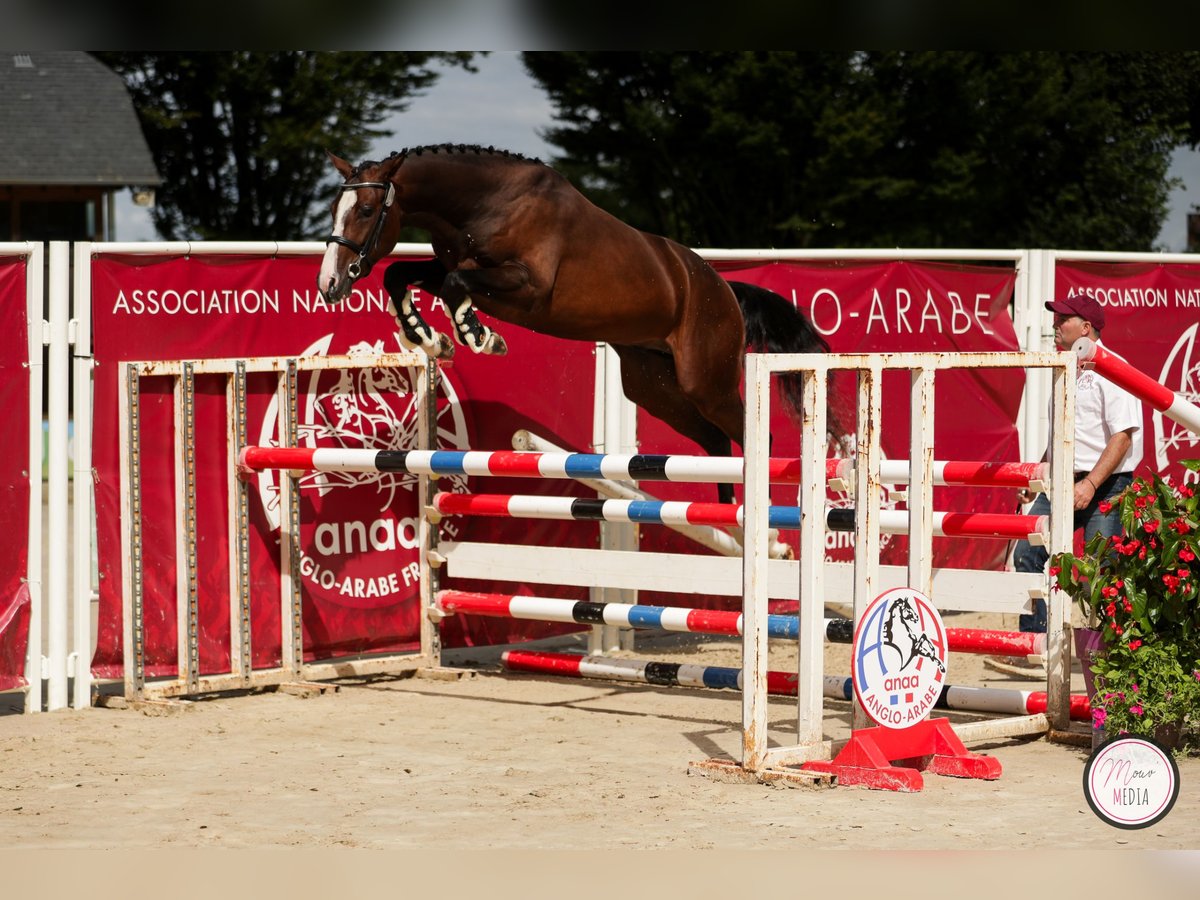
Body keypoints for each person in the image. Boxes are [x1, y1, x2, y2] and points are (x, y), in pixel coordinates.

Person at [1009, 294, 1143, 645]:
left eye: (1063, 319)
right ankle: (1037, 643)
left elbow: (1123, 438)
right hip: (1065, 480)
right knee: (1026, 554)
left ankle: (1110, 650)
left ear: (1086, 329)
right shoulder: (1066, 366)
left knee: (1102, 569)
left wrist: (1092, 484)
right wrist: (1037, 477)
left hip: (1107, 483)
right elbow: (1061, 435)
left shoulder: (1113, 366)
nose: (1055, 325)